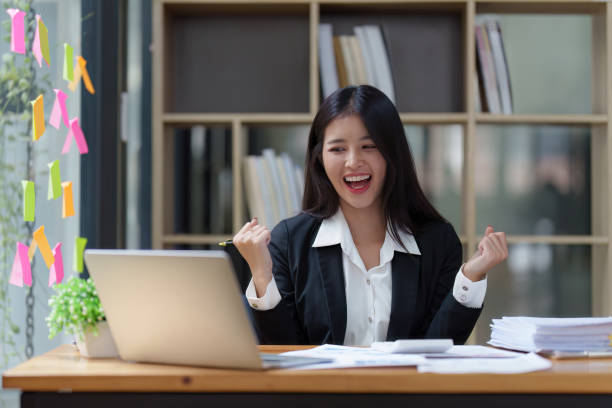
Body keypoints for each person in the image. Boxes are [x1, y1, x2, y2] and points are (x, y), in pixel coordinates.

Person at [233, 85, 508, 346]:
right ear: (319, 158)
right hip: (319, 397)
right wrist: (261, 274)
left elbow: (439, 349)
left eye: (369, 146)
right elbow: (284, 354)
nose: (353, 161)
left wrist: (470, 277)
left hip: (406, 396)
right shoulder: (290, 241)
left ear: (393, 154)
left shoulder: (437, 241)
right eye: (338, 149)